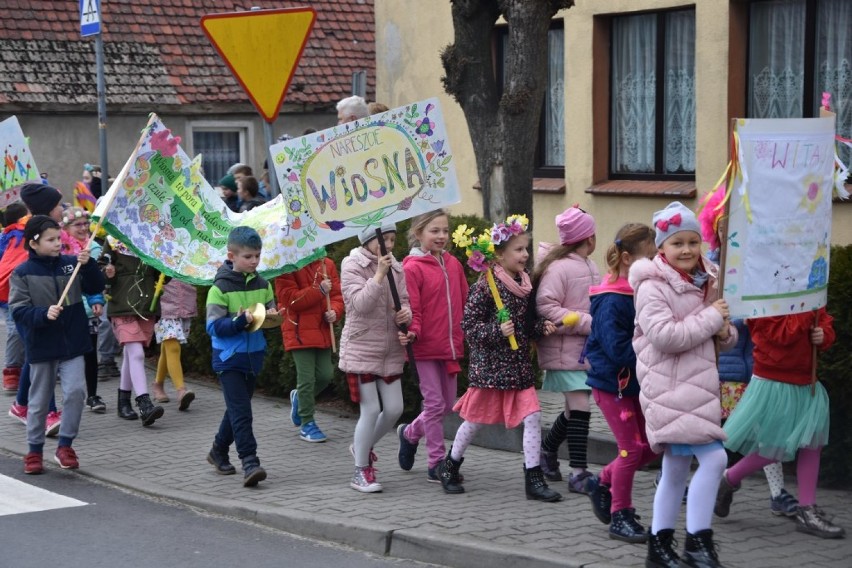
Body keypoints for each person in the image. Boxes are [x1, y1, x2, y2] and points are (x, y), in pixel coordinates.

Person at [631, 201, 736, 568]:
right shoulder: (651, 287)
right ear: (661, 248)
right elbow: (664, 336)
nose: (687, 250)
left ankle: (659, 547)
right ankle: (698, 543)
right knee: (715, 458)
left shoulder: (709, 280)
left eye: (693, 242)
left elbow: (722, 333)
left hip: (699, 388)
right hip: (669, 389)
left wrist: (725, 331)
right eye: (678, 243)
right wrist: (711, 320)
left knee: (675, 470)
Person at [439, 215, 560, 501]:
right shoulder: (486, 285)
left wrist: (540, 327)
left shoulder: (526, 284)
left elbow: (526, 324)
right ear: (499, 254)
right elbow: (468, 325)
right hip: (492, 369)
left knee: (533, 417)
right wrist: (496, 329)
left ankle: (533, 479)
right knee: (475, 420)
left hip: (518, 369)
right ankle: (450, 465)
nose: (525, 255)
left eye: (526, 249)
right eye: (518, 250)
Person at [697, 188, 798, 517]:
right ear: (716, 228)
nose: (731, 231)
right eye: (724, 225)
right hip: (722, 371)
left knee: (763, 432)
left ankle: (778, 493)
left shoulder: (759, 270)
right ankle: (707, 485)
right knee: (718, 433)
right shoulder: (708, 270)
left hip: (756, 368)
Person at [714, 308, 844, 539]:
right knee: (777, 446)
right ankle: (730, 478)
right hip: (775, 382)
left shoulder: (808, 294)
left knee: (812, 443)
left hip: (806, 379)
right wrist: (807, 311)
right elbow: (781, 336)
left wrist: (824, 335)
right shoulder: (768, 299)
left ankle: (807, 509)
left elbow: (824, 321)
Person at [10, 215, 105, 474]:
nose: (56, 244)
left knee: (75, 392)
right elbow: (18, 310)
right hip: (42, 345)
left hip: (73, 344)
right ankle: (34, 450)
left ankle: (65, 445)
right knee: (39, 400)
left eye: (58, 239)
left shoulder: (71, 265)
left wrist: (88, 266)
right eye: (50, 240)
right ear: (33, 243)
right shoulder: (22, 273)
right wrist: (42, 314)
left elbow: (96, 286)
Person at [584, 223, 659, 543]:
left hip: (634, 384)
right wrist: (654, 349)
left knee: (653, 446)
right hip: (611, 385)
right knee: (630, 450)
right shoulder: (612, 298)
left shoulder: (639, 291)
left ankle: (602, 481)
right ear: (628, 259)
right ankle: (620, 514)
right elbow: (616, 349)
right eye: (651, 257)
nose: (656, 263)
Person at [396, 209, 468, 483]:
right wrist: (412, 331)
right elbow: (411, 306)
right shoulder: (412, 268)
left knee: (448, 405)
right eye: (434, 231)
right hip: (424, 346)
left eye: (445, 231)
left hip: (449, 346)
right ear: (418, 234)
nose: (441, 236)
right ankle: (436, 462)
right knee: (435, 404)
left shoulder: (454, 264)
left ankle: (410, 433)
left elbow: (464, 301)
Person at [533, 205, 601, 494]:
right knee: (582, 408)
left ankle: (547, 451)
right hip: (563, 350)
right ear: (589, 238)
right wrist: (585, 321)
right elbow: (545, 307)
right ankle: (579, 472)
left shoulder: (591, 266)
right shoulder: (558, 268)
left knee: (575, 411)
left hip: (584, 351)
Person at [339, 223, 411, 492]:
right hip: (361, 347)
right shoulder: (352, 265)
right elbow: (360, 304)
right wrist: (379, 275)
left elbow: (403, 300)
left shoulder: (398, 267)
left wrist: (406, 315)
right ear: (368, 241)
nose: (389, 246)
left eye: (392, 240)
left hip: (389, 347)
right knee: (370, 409)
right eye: (384, 240)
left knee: (394, 409)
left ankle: (361, 445)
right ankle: (360, 470)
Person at [205, 226, 277, 487]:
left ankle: (218, 450)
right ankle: (250, 461)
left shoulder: (264, 284)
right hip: (228, 358)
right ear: (231, 256)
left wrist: (272, 317)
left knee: (237, 410)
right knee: (242, 412)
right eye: (248, 256)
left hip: (253, 356)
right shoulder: (219, 288)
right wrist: (239, 320)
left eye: (258, 255)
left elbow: (270, 314)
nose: (255, 261)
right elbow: (213, 327)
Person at [8, 183, 66, 434]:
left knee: (35, 355)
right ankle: (47, 413)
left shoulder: (45, 232)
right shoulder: (34, 235)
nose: (62, 209)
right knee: (42, 356)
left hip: (36, 306)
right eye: (58, 206)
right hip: (24, 305)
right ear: (47, 210)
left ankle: (21, 405)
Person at [276, 254, 344, 442]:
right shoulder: (287, 266)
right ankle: (307, 422)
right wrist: (319, 291)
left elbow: (337, 295)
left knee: (325, 375)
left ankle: (300, 399)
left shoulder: (327, 264)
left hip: (321, 330)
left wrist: (335, 311)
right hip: (298, 331)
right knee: (307, 379)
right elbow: (290, 300)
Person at [103, 236, 165, 426]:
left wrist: (168, 268)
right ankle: (144, 404)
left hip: (147, 305)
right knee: (136, 353)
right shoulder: (112, 239)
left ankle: (123, 401)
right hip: (121, 304)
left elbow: (163, 276)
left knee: (132, 355)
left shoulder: (153, 238)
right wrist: (108, 273)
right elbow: (99, 271)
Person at [60, 207, 108, 413]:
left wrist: (97, 299)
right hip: (65, 309)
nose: (83, 228)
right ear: (66, 228)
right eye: (77, 225)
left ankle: (93, 395)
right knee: (66, 355)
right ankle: (68, 396)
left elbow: (95, 280)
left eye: (85, 224)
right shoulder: (60, 248)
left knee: (90, 353)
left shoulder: (94, 248)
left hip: (87, 310)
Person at [151, 278, 197, 411]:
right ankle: (181, 391)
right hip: (164, 307)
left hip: (185, 304)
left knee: (168, 349)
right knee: (173, 348)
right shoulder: (158, 257)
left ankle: (158, 384)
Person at [1, 202, 29, 393]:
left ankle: (26, 368)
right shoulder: (13, 237)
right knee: (14, 330)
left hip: (23, 290)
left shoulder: (22, 235)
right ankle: (11, 372)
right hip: (7, 293)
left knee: (22, 331)